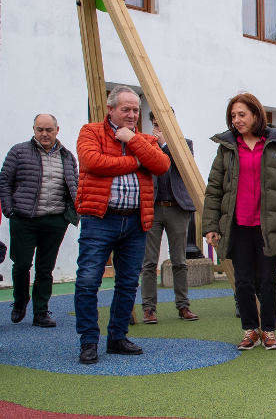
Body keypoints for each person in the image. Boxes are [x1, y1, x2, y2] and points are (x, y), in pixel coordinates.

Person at [74, 87, 171, 364]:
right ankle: (89, 341)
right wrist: (135, 161)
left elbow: (161, 165)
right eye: (125, 109)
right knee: (88, 280)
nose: (131, 114)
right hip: (100, 219)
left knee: (128, 283)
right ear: (111, 109)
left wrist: (133, 141)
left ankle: (117, 337)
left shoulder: (143, 138)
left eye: (135, 110)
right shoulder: (90, 131)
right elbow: (92, 162)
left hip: (135, 221)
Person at [203, 93, 276, 351]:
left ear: (256, 114)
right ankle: (250, 330)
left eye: (242, 115)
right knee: (244, 281)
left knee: (268, 280)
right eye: (233, 116)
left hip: (268, 224)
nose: (236, 120)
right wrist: (211, 225)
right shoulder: (226, 147)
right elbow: (214, 189)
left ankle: (268, 330)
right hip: (237, 225)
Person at [0, 114, 79, 328]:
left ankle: (41, 312)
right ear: (34, 129)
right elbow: (4, 182)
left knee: (46, 268)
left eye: (48, 130)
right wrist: (9, 210)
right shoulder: (18, 152)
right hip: (24, 219)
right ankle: (19, 301)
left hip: (55, 221)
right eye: (40, 129)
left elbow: (75, 186)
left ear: (57, 130)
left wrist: (70, 215)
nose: (44, 134)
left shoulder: (68, 157)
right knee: (22, 264)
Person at [139, 110, 199, 324]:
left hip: (177, 207)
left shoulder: (185, 143)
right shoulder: (145, 142)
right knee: (149, 262)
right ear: (152, 123)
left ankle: (183, 306)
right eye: (156, 122)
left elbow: (184, 167)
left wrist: (165, 145)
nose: (159, 125)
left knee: (179, 261)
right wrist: (155, 145)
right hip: (152, 207)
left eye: (163, 121)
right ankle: (149, 308)